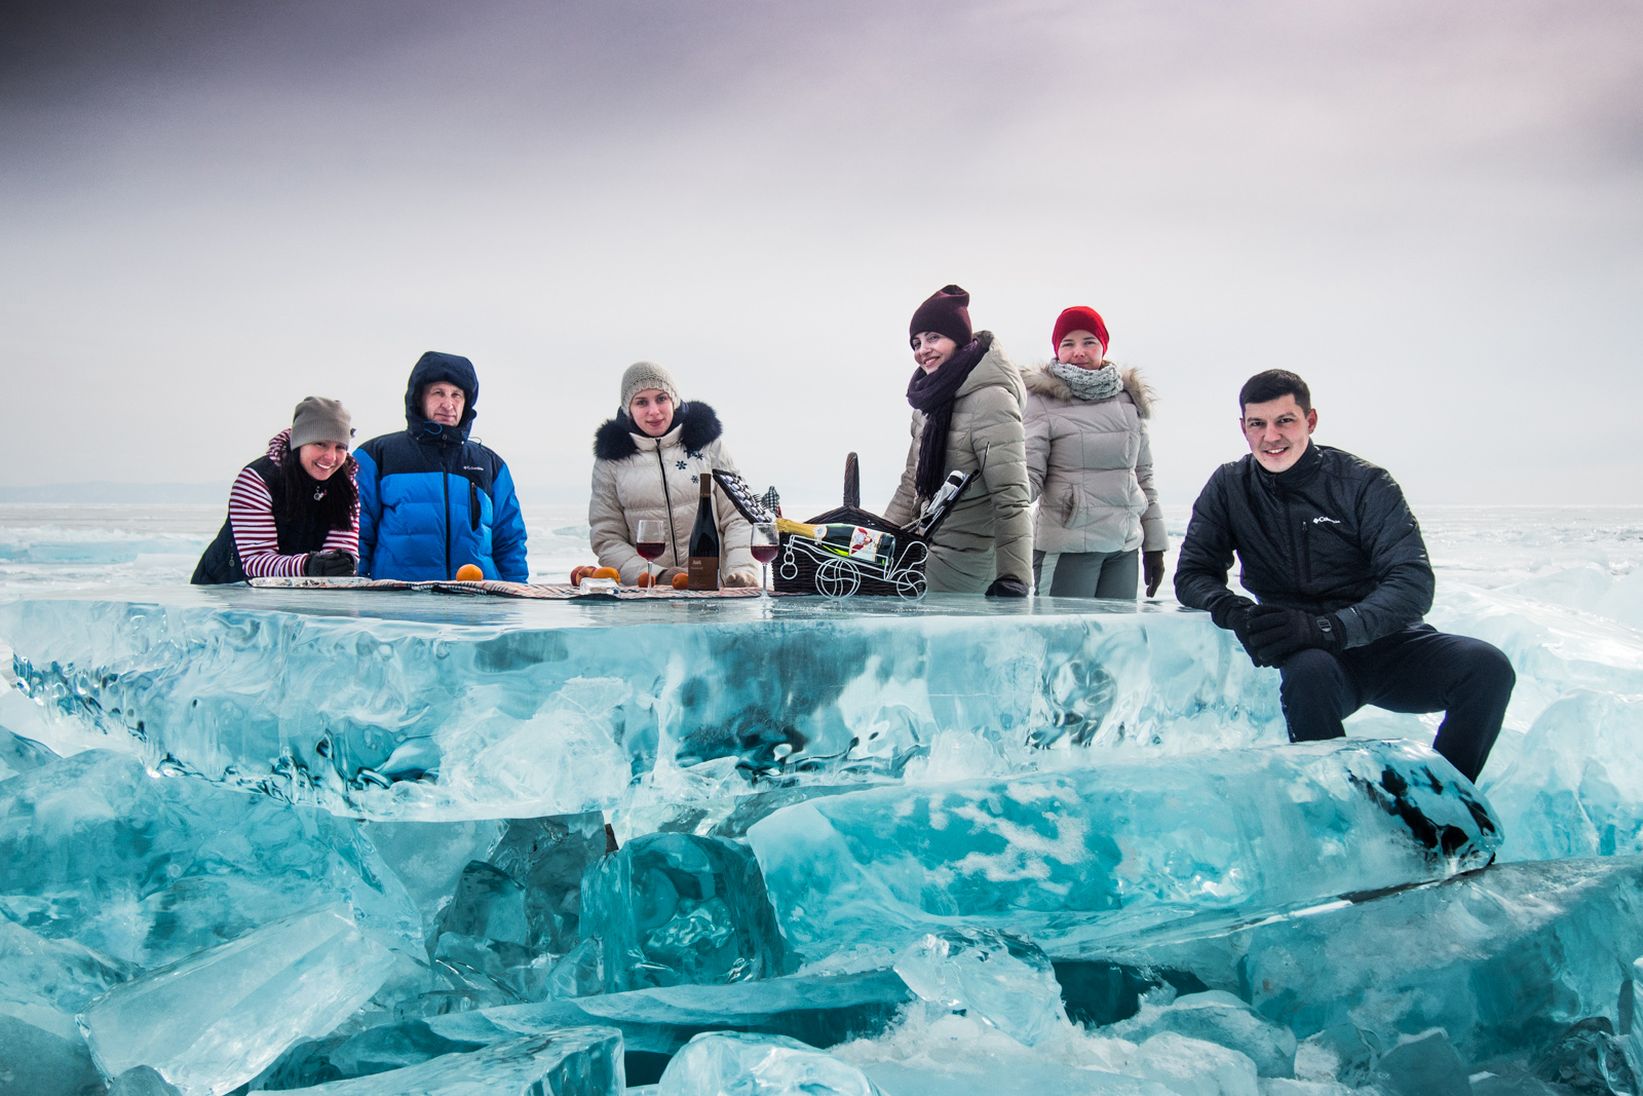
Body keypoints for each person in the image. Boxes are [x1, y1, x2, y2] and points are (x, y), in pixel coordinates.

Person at [1174, 369, 1514, 782]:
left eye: (1285, 421)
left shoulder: (1363, 483)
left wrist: (1330, 628)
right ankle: (1338, 799)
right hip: (1312, 657)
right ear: (1243, 428)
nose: (1270, 436)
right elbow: (1193, 573)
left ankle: (1445, 799)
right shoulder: (1230, 486)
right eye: (1257, 424)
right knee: (1308, 675)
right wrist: (1237, 612)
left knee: (1488, 667)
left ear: (1310, 421)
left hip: (1390, 644)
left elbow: (1411, 581)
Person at [884, 284, 1032, 596]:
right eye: (916, 342)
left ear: (958, 338)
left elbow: (1011, 495)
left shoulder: (991, 400)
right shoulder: (928, 406)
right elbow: (910, 485)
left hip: (970, 560)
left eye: (933, 337)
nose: (923, 349)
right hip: (925, 549)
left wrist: (1014, 577)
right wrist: (878, 544)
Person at [1024, 306, 1167, 598]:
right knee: (1064, 629)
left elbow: (1143, 477)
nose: (1079, 352)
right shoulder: (1041, 402)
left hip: (1123, 549)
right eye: (1068, 343)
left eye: (1089, 342)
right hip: (1067, 546)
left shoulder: (1128, 401)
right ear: (1057, 350)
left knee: (1115, 629)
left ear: (1103, 346)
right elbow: (1028, 477)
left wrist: (1154, 546)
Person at [355, 351, 528, 582]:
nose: (448, 404)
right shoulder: (377, 456)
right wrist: (357, 591)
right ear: (419, 397)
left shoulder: (490, 464)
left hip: (477, 598)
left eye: (457, 395)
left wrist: (516, 591)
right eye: (438, 393)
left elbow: (510, 541)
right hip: (398, 598)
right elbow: (357, 535)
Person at [589, 361, 758, 587]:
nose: (654, 411)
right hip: (648, 596)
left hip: (715, 590)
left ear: (674, 400)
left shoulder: (708, 446)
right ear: (628, 408)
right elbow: (607, 539)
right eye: (641, 402)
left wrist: (741, 571)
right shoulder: (611, 460)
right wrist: (656, 576)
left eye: (661, 398)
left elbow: (738, 516)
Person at [192, 397, 359, 584]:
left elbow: (341, 546)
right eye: (320, 444)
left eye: (340, 447)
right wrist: (308, 566)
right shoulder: (257, 480)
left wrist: (341, 563)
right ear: (299, 443)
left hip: (296, 589)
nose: (331, 457)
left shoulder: (345, 485)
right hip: (226, 587)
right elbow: (254, 561)